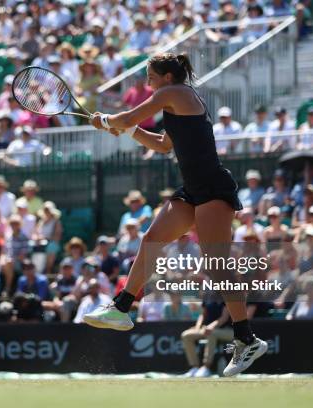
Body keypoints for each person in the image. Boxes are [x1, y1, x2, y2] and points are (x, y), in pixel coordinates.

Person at [85, 53, 267, 376]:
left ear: (167, 77)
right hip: (192, 190)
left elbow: (126, 118)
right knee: (152, 238)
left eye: (151, 77)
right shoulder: (174, 101)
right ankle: (122, 306)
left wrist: (108, 122)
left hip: (212, 188)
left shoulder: (173, 93)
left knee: (217, 266)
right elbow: (163, 145)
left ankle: (247, 338)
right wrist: (125, 130)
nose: (148, 83)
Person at [180, 292, 233, 377]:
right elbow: (202, 314)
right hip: (207, 329)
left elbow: (224, 317)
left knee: (211, 333)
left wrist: (210, 327)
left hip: (228, 331)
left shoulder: (227, 296)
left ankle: (206, 367)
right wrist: (197, 327)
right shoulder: (207, 296)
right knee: (186, 335)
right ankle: (195, 367)